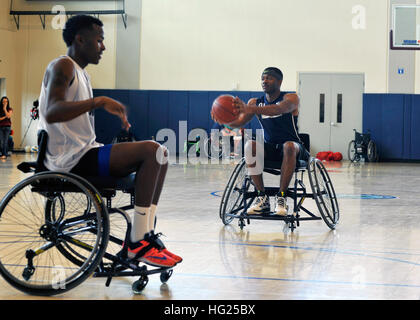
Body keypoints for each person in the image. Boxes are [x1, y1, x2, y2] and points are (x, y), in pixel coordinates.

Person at [37, 15, 181, 268]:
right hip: (69, 161)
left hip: (84, 154)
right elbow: (51, 111)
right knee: (152, 150)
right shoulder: (63, 66)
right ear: (80, 40)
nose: (103, 46)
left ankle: (143, 237)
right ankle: (138, 242)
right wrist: (99, 102)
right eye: (99, 40)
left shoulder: (80, 73)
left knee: (161, 155)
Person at [214, 67, 309, 216]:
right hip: (270, 148)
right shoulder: (255, 102)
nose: (265, 81)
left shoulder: (291, 98)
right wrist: (224, 121)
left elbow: (278, 109)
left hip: (294, 148)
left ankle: (281, 198)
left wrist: (249, 108)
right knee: (250, 145)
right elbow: (239, 123)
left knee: (288, 146)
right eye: (263, 78)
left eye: (269, 78)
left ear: (279, 81)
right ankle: (261, 197)